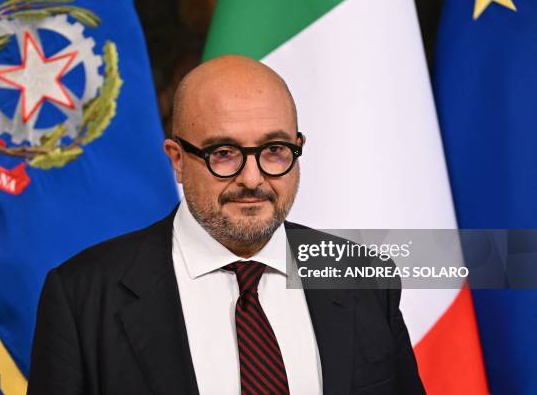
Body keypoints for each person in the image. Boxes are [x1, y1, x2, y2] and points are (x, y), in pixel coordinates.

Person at [27, 55, 425, 394]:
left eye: (274, 150)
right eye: (224, 153)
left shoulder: (360, 278)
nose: (252, 179)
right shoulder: (82, 296)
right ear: (177, 159)